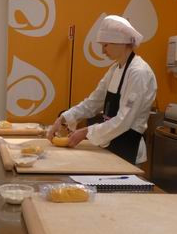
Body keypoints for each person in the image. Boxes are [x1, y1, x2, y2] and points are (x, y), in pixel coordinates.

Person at [47, 15, 157, 163]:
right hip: (111, 145)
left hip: (128, 147)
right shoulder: (115, 69)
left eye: (105, 45)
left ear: (120, 43)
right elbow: (93, 102)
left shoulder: (139, 73)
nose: (103, 51)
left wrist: (86, 131)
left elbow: (124, 121)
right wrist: (63, 118)